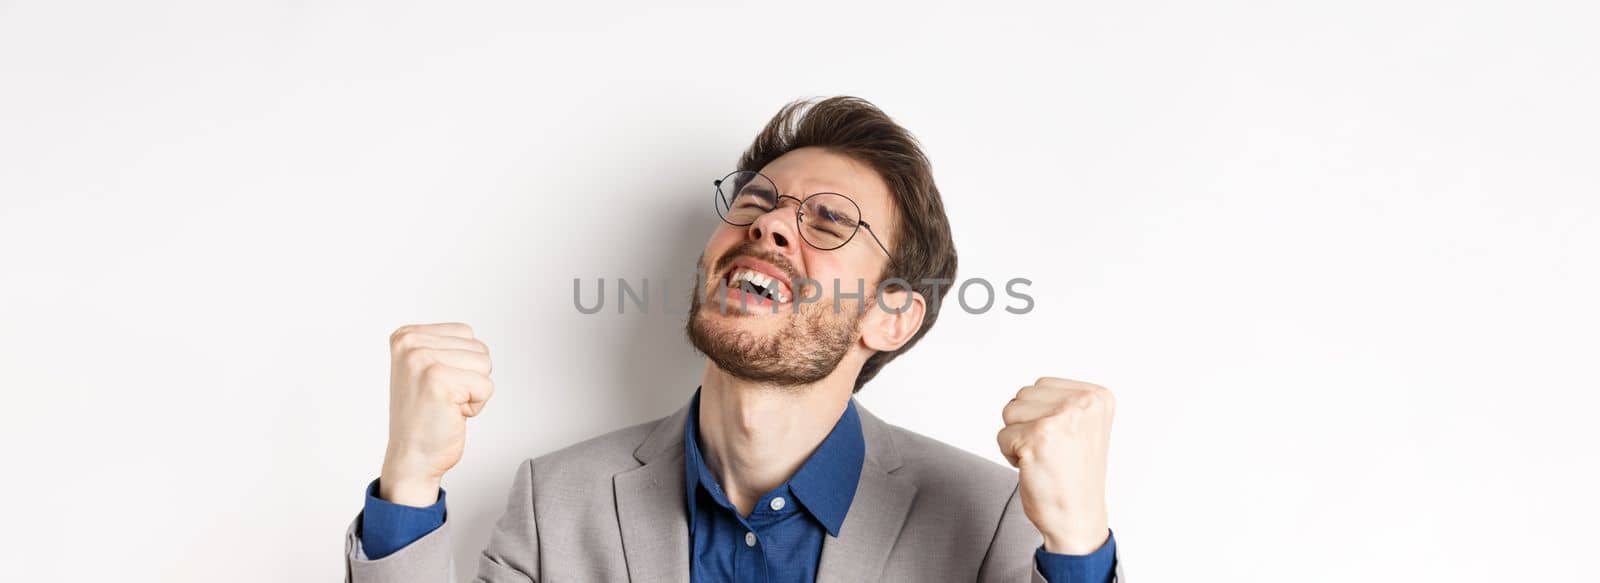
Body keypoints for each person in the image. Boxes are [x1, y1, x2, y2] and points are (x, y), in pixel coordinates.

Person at [344, 96, 1124, 582]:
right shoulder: (557, 502)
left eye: (828, 219)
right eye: (757, 200)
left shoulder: (991, 520)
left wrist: (1081, 543)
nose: (771, 222)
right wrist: (408, 480)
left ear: (890, 315)